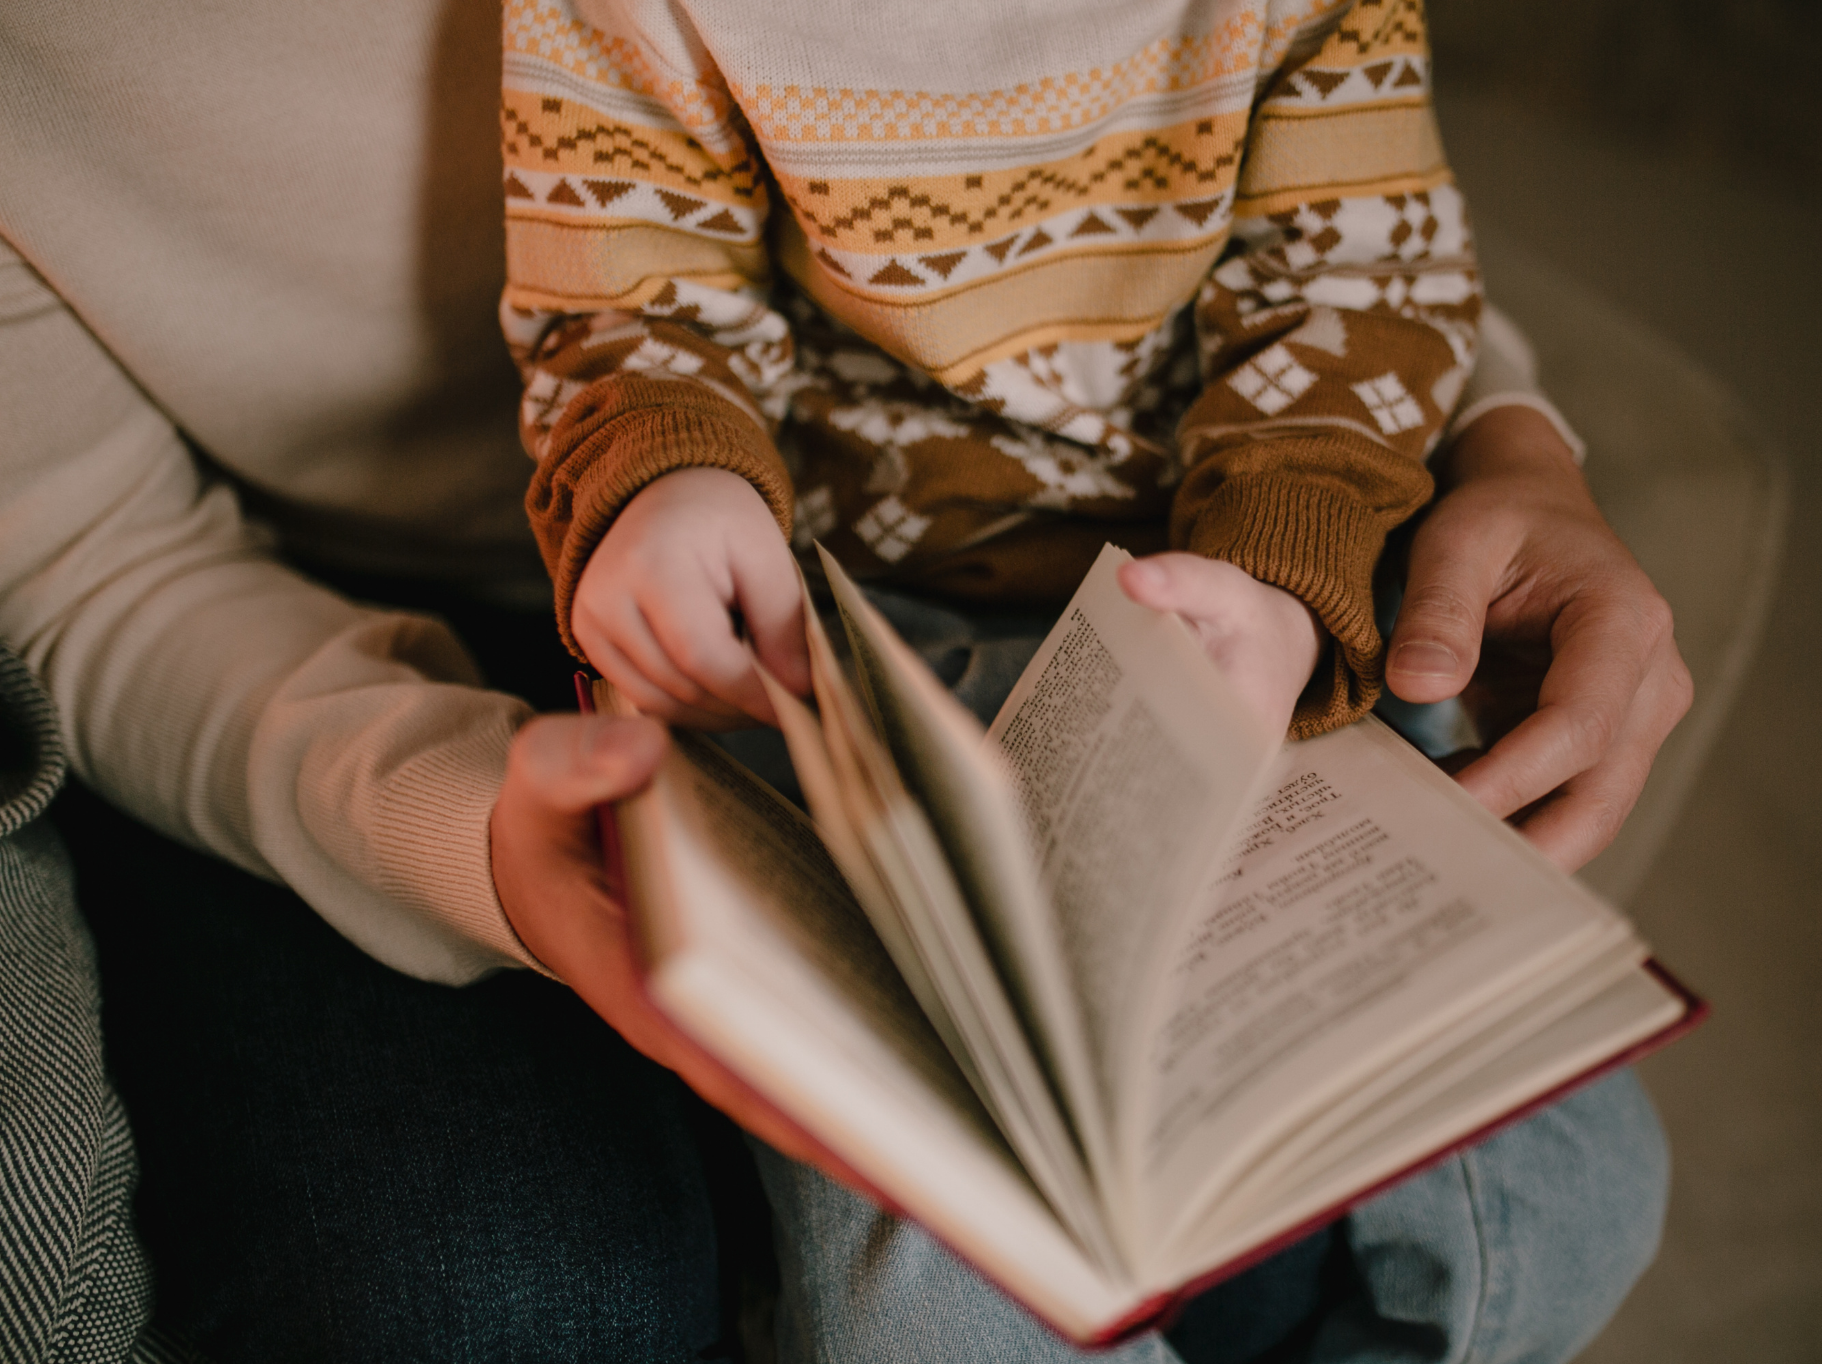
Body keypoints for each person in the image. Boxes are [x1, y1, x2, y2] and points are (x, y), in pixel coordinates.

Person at [0, 0, 1687, 1358]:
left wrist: (1317, 549)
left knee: (1570, 1183)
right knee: (928, 1242)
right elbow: (631, 297)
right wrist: (667, 483)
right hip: (834, 641)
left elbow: (1359, 269)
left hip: (1235, 602)